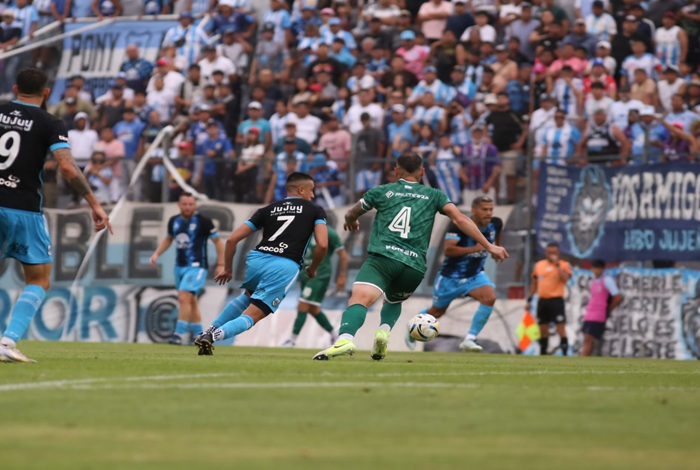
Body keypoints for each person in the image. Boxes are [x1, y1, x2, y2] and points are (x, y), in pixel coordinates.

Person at [312, 152, 508, 361]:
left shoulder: (381, 191)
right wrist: (489, 246)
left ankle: (345, 339)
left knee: (359, 298)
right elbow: (460, 219)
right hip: (414, 266)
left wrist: (351, 220)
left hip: (383, 258)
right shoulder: (435, 195)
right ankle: (383, 332)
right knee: (393, 301)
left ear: (396, 171)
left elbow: (352, 213)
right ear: (422, 171)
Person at [0, 68, 111, 363]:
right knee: (39, 279)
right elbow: (67, 167)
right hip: (23, 208)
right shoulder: (49, 122)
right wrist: (94, 204)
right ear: (47, 92)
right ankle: (7, 342)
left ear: (15, 88)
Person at [194, 172, 328, 355]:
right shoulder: (315, 210)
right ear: (301, 190)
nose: (312, 195)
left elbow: (232, 240)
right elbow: (323, 245)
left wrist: (228, 269)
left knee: (247, 297)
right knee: (254, 314)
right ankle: (213, 336)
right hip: (284, 264)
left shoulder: (267, 210)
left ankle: (208, 331)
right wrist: (313, 268)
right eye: (311, 190)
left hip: (257, 260)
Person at [406, 195, 503, 352]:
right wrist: (475, 248)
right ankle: (413, 326)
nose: (488, 213)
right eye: (484, 209)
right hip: (450, 277)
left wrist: (495, 251)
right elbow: (448, 250)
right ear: (474, 210)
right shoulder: (459, 225)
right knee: (437, 312)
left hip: (475, 275)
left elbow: (496, 239)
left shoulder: (496, 223)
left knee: (489, 298)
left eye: (491, 209)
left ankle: (470, 339)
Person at [149, 193, 224, 345]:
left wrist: (221, 264)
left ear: (195, 205)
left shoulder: (203, 221)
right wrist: (156, 253)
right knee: (191, 301)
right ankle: (199, 335)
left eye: (191, 204)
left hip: (197, 267)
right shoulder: (174, 221)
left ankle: (178, 334)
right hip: (179, 267)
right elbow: (169, 238)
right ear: (179, 204)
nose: (188, 207)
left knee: (183, 298)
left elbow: (217, 242)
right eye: (185, 204)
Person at [282, 225, 348, 347]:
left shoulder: (328, 232)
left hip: (319, 275)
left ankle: (292, 340)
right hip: (305, 274)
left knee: (302, 304)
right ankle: (334, 334)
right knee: (313, 309)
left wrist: (342, 276)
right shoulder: (303, 229)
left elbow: (343, 255)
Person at [526, 242, 573, 356]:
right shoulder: (539, 265)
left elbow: (566, 279)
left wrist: (557, 265)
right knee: (543, 328)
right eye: (549, 252)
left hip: (556, 301)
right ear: (545, 253)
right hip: (543, 301)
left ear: (558, 253)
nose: (551, 255)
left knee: (560, 327)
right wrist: (529, 299)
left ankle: (565, 353)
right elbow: (534, 284)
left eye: (554, 252)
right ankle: (543, 354)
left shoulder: (563, 265)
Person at [581, 260, 623, 357]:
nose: (596, 271)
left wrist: (608, 309)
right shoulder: (592, 281)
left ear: (603, 269)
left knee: (589, 338)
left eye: (598, 268)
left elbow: (618, 297)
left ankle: (582, 358)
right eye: (594, 268)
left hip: (599, 314)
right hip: (589, 314)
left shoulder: (607, 280)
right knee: (587, 338)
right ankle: (585, 358)